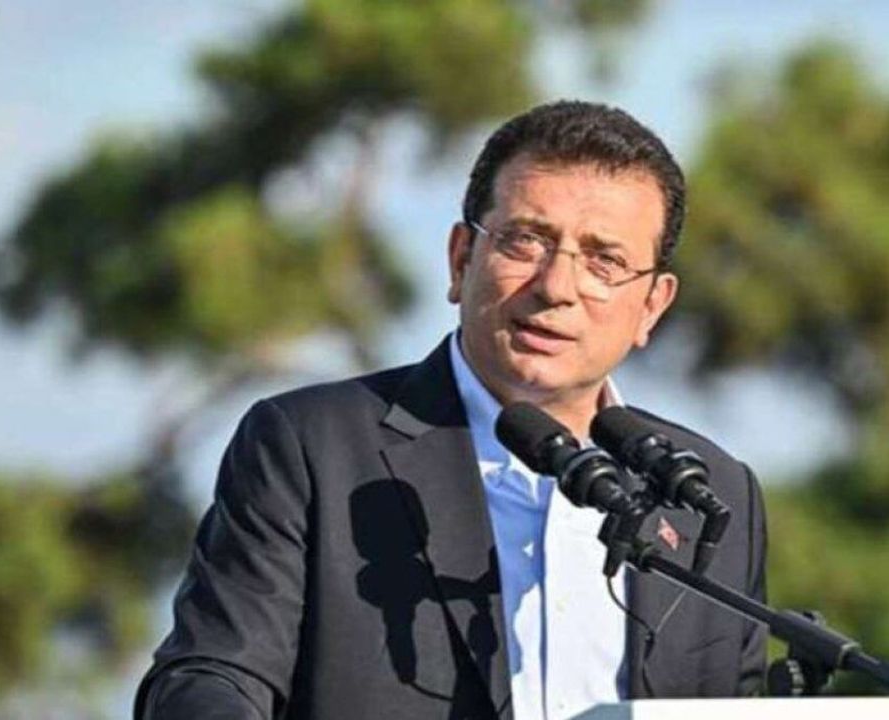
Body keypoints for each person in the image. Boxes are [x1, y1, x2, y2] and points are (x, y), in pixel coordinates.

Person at [135, 100, 768, 720]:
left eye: (605, 261)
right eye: (526, 241)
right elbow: (213, 675)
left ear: (652, 305)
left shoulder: (714, 495)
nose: (556, 287)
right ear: (462, 259)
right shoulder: (312, 447)